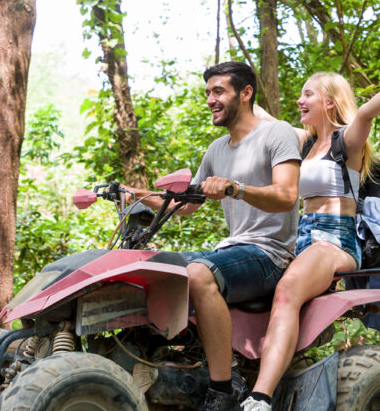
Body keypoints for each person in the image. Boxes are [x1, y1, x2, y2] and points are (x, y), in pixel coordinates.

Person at [240, 62, 380, 411]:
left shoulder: (346, 142)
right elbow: (260, 118)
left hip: (335, 240)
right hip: (301, 242)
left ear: (330, 103)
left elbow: (366, 112)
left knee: (287, 290)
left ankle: (259, 398)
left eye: (308, 94)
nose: (300, 100)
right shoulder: (305, 143)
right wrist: (233, 87)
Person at [127, 61, 301, 411]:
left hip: (270, 255)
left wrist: (236, 189)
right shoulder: (216, 148)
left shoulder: (276, 133)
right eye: (208, 92)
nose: (210, 99)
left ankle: (224, 388)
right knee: (152, 267)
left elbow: (286, 196)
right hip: (233, 249)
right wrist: (135, 194)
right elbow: (187, 205)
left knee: (198, 273)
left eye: (218, 91)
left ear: (246, 93)